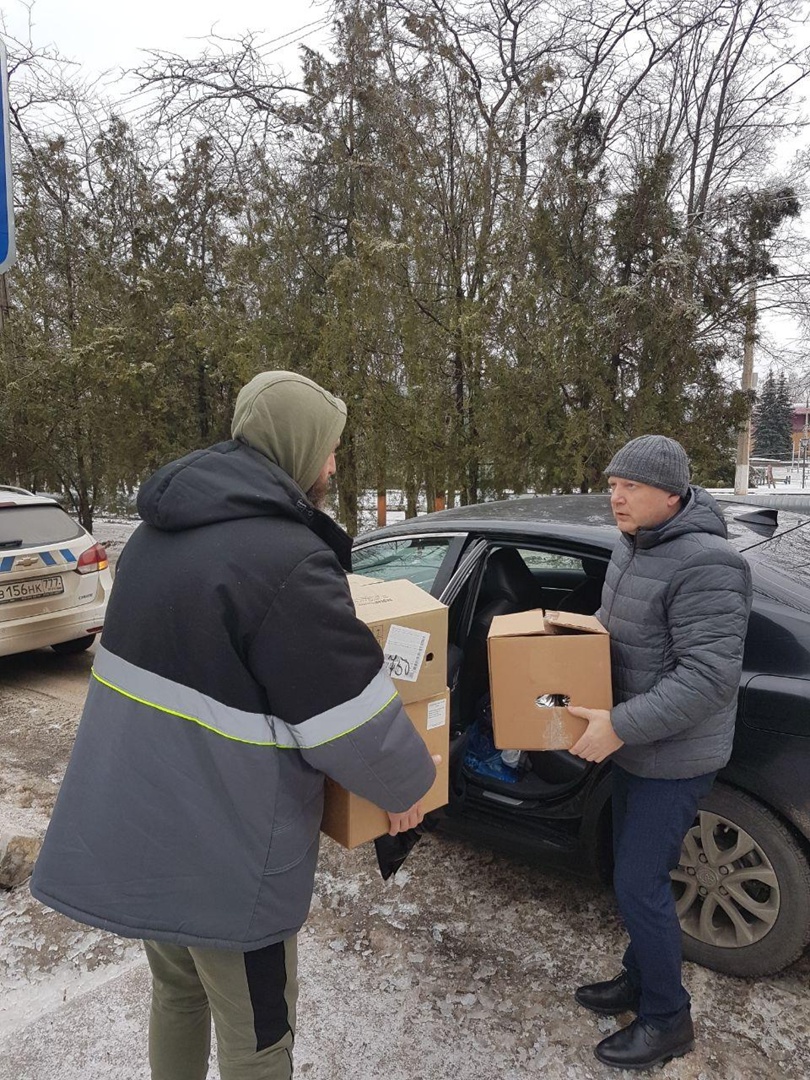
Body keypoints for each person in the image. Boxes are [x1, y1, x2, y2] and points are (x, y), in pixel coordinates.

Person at [31, 371, 437, 1080]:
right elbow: (352, 719)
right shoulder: (283, 562)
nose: (334, 465)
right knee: (258, 1038)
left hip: (146, 827)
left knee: (178, 992)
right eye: (331, 448)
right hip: (225, 854)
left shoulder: (158, 539)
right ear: (297, 445)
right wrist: (410, 784)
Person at [567, 434, 752, 1071]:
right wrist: (581, 633)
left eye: (631, 487)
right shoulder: (635, 544)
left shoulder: (709, 564)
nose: (615, 496)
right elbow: (622, 623)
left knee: (638, 883)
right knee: (634, 870)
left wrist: (618, 725)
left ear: (671, 496)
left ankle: (668, 1019)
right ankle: (639, 977)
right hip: (635, 746)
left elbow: (707, 678)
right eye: (612, 482)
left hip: (673, 757)